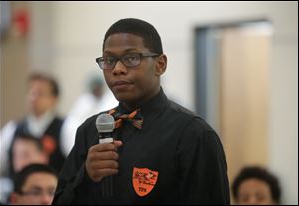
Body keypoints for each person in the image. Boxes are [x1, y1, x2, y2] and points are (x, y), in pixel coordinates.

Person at [53, 18, 230, 204]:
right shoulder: (89, 130)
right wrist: (86, 175)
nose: (118, 69)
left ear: (160, 65)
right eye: (109, 60)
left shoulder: (193, 134)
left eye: (131, 59)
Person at [0, 73, 65, 177]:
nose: (33, 97)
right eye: (31, 91)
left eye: (40, 93)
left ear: (54, 99)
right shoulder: (12, 128)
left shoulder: (66, 127)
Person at [60, 74, 118, 156]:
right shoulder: (82, 104)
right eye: (94, 87)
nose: (96, 89)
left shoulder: (111, 101)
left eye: (98, 87)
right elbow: (71, 128)